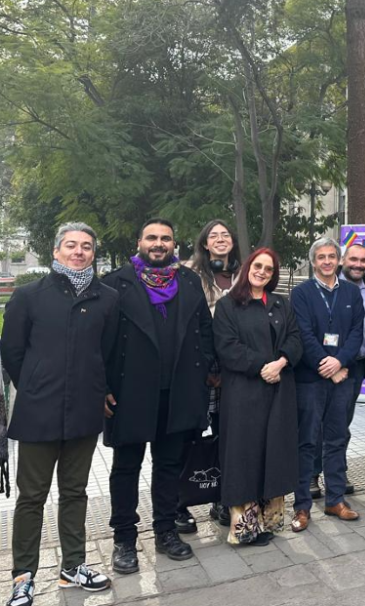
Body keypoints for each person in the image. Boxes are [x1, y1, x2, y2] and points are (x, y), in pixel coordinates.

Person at [1, 223, 119, 605]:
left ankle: (73, 566)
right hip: (38, 413)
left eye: (86, 246)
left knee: (75, 492)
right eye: (71, 245)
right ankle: (23, 574)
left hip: (84, 412)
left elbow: (109, 351)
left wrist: (98, 391)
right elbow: (12, 352)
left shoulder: (107, 298)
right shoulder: (29, 297)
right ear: (56, 251)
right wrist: (34, 385)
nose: (79, 251)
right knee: (31, 497)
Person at [103, 219, 214, 574]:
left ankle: (165, 530)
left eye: (165, 238)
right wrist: (101, 387)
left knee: (168, 468)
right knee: (126, 469)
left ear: (174, 244)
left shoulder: (188, 281)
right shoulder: (115, 284)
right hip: (130, 392)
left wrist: (205, 374)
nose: (158, 243)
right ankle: (124, 539)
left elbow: (205, 332)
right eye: (151, 237)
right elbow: (101, 342)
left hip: (178, 391)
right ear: (139, 241)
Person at [213, 248, 302, 545]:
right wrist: (260, 367)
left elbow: (294, 338)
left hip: (278, 390)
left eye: (269, 268)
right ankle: (245, 529)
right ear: (248, 267)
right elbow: (227, 347)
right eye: (258, 266)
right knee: (244, 456)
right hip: (243, 393)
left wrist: (281, 362)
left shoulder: (281, 304)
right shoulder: (228, 306)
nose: (262, 272)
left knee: (274, 452)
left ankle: (271, 520)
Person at [289, 239, 364, 533]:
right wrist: (327, 365)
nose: (327, 261)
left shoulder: (351, 292)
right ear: (313, 261)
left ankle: (335, 499)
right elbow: (303, 334)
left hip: (343, 377)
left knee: (336, 439)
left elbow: (358, 332)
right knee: (307, 442)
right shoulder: (301, 293)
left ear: (340, 260)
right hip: (310, 379)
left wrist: (341, 362)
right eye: (321, 257)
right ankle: (302, 506)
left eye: (332, 256)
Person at [182, 218, 240, 528]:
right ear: (204, 242)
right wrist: (206, 366)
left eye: (225, 234)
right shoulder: (191, 274)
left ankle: (221, 498)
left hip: (232, 369)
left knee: (225, 435)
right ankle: (181, 503)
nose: (220, 239)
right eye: (213, 235)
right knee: (188, 437)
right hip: (199, 367)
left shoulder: (242, 273)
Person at [339, 242, 365, 495]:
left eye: (363, 260)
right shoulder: (330, 286)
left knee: (344, 421)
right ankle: (314, 474)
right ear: (343, 259)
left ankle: (338, 472)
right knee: (325, 422)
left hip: (362, 365)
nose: (358, 265)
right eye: (353, 259)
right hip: (335, 366)